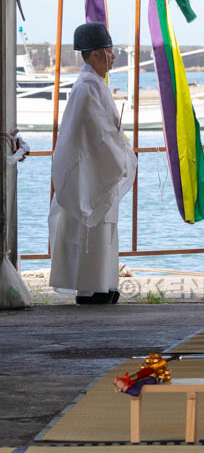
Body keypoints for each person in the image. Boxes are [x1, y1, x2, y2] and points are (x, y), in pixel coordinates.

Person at [49, 23, 137, 305]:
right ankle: (90, 288)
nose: (113, 58)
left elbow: (100, 131)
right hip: (89, 170)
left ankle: (104, 284)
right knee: (91, 231)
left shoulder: (94, 85)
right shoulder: (87, 88)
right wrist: (119, 152)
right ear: (96, 55)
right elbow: (95, 134)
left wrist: (118, 148)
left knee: (102, 231)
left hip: (97, 168)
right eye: (109, 53)